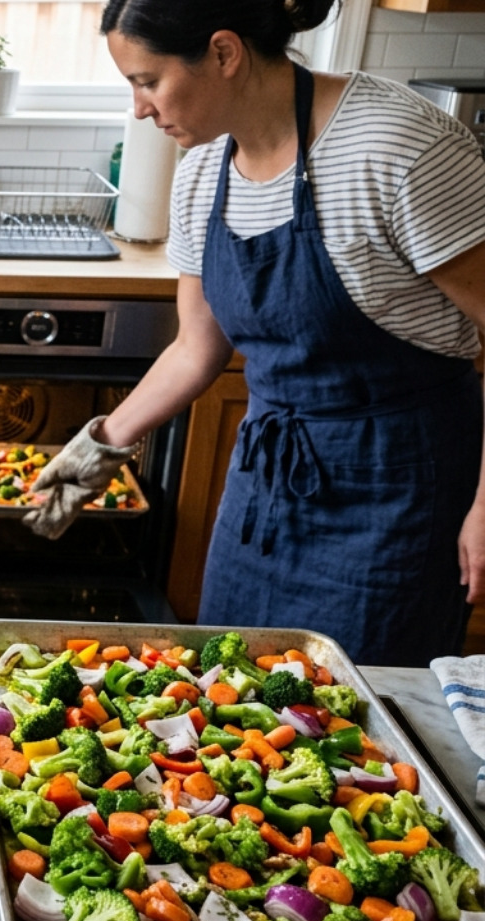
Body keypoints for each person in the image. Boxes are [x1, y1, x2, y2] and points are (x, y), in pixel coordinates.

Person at [25, 0, 485, 668]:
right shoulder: (202, 175)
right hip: (265, 491)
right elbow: (195, 349)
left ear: (223, 53)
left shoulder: (396, 148)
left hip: (399, 492)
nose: (139, 109)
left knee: (363, 723)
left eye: (147, 80)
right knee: (227, 694)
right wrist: (94, 452)